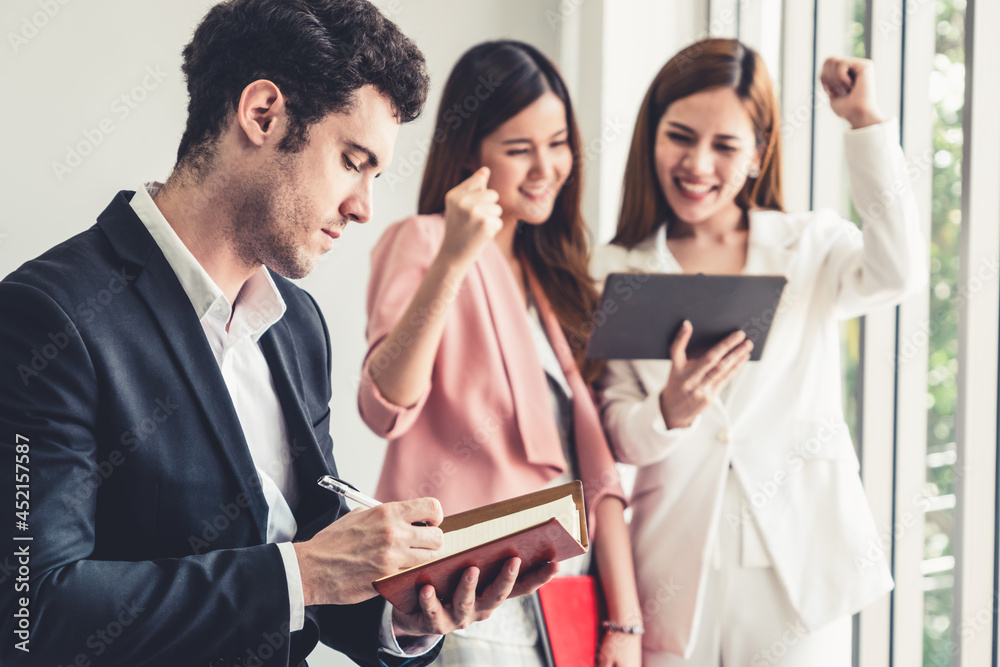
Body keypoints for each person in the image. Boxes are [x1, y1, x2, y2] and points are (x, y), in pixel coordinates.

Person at [0, 2, 554, 665]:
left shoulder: (300, 327)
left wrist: (400, 612)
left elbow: (320, 552)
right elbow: (30, 612)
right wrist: (307, 571)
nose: (364, 206)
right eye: (354, 160)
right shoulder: (46, 314)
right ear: (262, 113)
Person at [593, 39, 925, 666]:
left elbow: (899, 273)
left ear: (758, 154)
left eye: (725, 146)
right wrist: (670, 409)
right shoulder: (615, 270)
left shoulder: (808, 246)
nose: (697, 164)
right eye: (680, 137)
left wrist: (865, 123)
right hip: (673, 570)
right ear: (651, 137)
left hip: (800, 566)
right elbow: (616, 433)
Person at [358, 40, 642, 666]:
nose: (546, 167)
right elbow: (384, 406)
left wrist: (625, 622)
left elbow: (598, 475)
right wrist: (454, 258)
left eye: (559, 142)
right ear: (470, 152)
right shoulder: (423, 242)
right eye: (519, 149)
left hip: (563, 600)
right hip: (466, 597)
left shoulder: (555, 280)